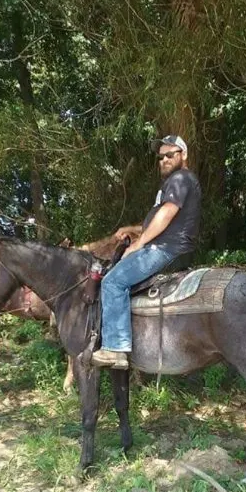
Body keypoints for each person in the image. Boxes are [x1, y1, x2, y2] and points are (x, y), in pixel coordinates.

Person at [92, 135, 201, 369]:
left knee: (112, 281)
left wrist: (138, 243)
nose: (164, 159)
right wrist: (130, 230)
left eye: (170, 154)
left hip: (166, 249)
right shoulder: (175, 183)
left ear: (184, 155)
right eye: (160, 156)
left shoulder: (180, 178)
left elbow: (168, 213)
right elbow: (156, 221)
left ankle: (116, 348)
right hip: (169, 245)